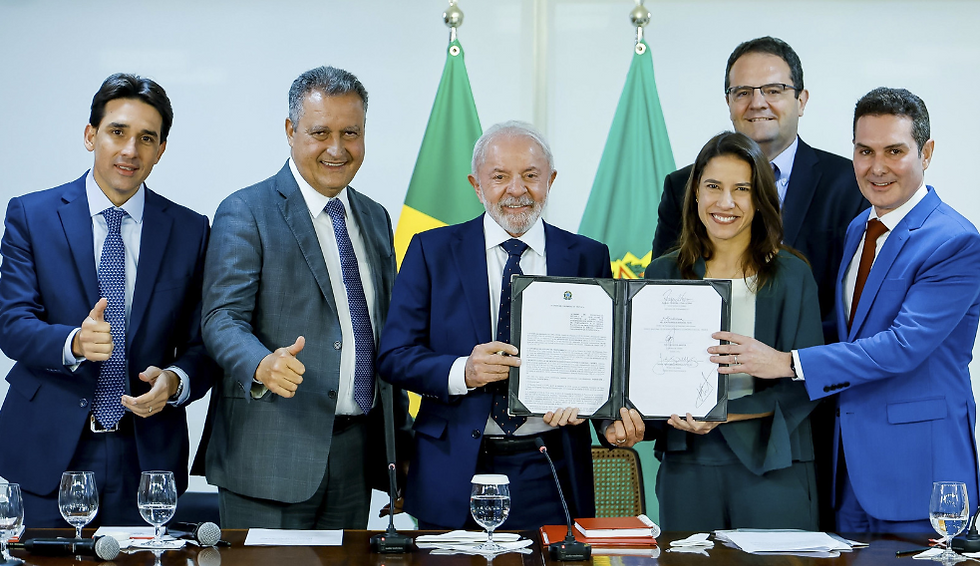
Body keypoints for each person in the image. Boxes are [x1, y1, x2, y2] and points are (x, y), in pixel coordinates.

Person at [710, 87, 980, 532]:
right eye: (864, 151)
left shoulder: (953, 240)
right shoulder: (861, 227)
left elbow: (901, 347)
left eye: (894, 151)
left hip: (920, 473)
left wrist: (785, 362)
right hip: (848, 468)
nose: (877, 167)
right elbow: (846, 330)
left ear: (926, 153)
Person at [378, 121, 644, 530]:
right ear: (476, 184)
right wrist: (461, 371)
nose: (516, 190)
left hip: (551, 465)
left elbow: (603, 363)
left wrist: (608, 419)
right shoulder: (431, 250)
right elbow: (394, 357)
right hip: (454, 469)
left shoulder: (588, 256)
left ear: (550, 180)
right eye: (500, 177)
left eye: (531, 176)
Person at [0, 73, 217, 526]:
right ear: (90, 135)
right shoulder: (31, 215)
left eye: (146, 138)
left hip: (145, 457)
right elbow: (12, 323)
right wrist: (75, 342)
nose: (129, 151)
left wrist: (175, 381)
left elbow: (205, 344)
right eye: (117, 132)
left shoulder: (191, 230)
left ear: (160, 150)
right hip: (47, 448)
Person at [201, 66, 410, 529]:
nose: (337, 149)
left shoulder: (374, 217)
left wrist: (401, 442)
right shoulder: (246, 210)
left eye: (350, 133)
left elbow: (384, 335)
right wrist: (260, 363)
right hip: (269, 456)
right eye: (320, 133)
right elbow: (220, 318)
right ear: (291, 131)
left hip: (357, 457)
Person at [645, 131, 823, 531]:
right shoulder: (663, 273)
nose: (725, 203)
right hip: (686, 460)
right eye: (713, 187)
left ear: (760, 199)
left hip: (774, 461)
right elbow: (645, 370)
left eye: (741, 189)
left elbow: (809, 380)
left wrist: (724, 414)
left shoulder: (793, 275)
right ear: (694, 194)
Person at [652, 37, 866, 344]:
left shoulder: (849, 184)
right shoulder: (682, 186)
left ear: (801, 100)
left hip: (806, 375)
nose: (757, 103)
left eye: (773, 90)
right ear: (729, 103)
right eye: (742, 92)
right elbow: (664, 292)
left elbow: (854, 303)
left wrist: (793, 361)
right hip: (698, 364)